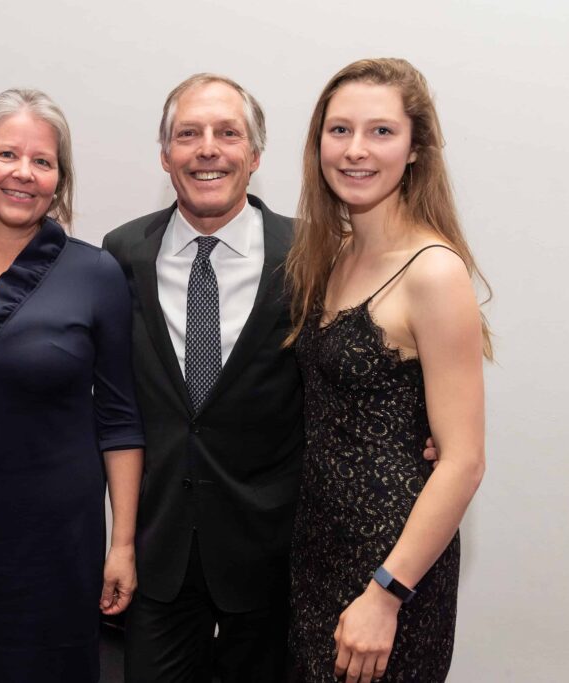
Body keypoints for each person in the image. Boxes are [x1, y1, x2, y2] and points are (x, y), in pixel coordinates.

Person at [0, 88, 145, 683]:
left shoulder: (95, 273)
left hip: (56, 535)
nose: (24, 173)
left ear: (58, 180)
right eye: (7, 154)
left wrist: (121, 544)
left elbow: (120, 420)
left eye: (43, 162)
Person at [285, 58, 490, 683]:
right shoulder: (333, 254)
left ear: (415, 148)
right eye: (339, 130)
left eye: (380, 132)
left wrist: (386, 593)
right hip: (318, 551)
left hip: (390, 570)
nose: (355, 150)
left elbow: (463, 460)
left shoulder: (434, 271)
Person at [102, 73, 304, 683]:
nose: (207, 148)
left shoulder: (311, 255)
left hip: (272, 551)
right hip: (160, 550)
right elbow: (108, 399)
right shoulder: (121, 253)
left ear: (255, 155)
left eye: (227, 133)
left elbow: (352, 372)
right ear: (166, 156)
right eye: (188, 134)